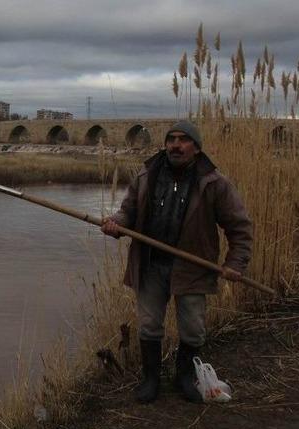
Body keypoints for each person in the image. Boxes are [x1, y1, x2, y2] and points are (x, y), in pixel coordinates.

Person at [101, 120, 253, 403]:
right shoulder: (147, 176)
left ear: (196, 148)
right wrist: (116, 224)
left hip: (193, 266)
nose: (176, 145)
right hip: (151, 263)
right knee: (149, 325)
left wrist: (236, 263)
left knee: (193, 328)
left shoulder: (214, 183)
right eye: (171, 139)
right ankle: (151, 379)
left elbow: (240, 227)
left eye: (184, 140)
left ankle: (185, 376)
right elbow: (128, 212)